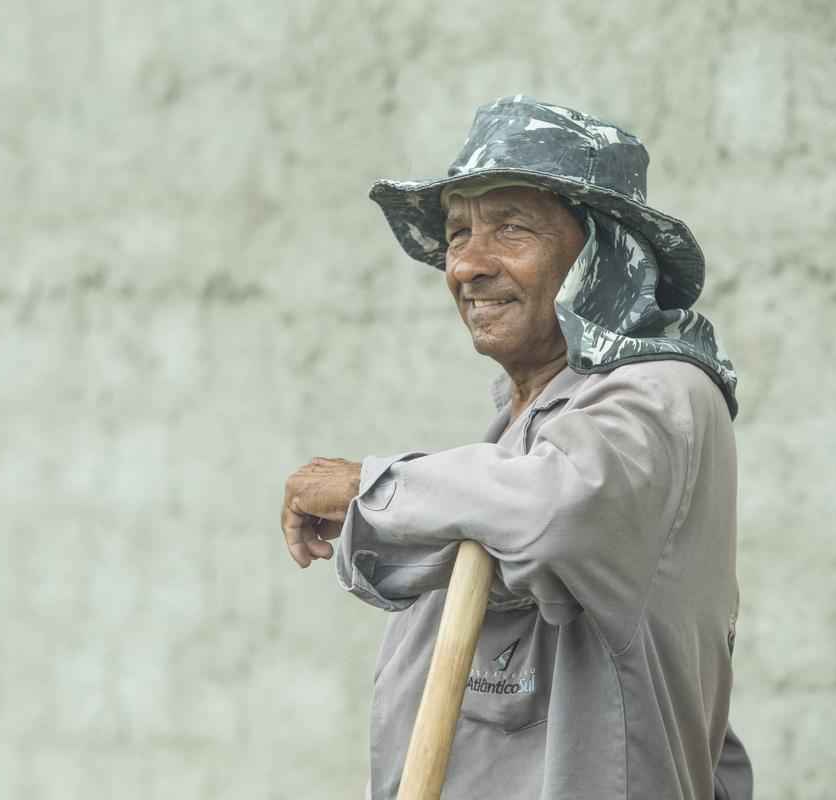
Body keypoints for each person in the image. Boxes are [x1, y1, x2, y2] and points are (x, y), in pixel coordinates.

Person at [280, 97, 753, 799]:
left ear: (603, 253)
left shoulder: (659, 394)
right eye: (458, 232)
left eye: (511, 228)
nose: (468, 264)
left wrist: (372, 491)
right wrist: (384, 515)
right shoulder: (524, 422)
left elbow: (559, 514)